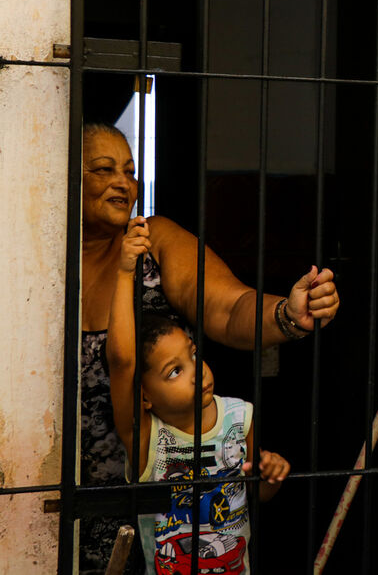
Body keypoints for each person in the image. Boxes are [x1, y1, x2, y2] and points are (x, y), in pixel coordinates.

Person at [80, 122, 340, 574]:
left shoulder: (154, 241)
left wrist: (288, 314)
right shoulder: (26, 253)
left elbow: (228, 305)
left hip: (167, 502)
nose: (124, 182)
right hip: (55, 496)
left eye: (130, 170)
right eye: (104, 169)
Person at [108, 216, 289, 574]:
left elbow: (257, 495)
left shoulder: (240, 417)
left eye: (192, 354)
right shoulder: (147, 440)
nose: (196, 371)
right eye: (174, 371)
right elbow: (121, 361)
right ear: (144, 396)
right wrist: (124, 272)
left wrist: (271, 477)